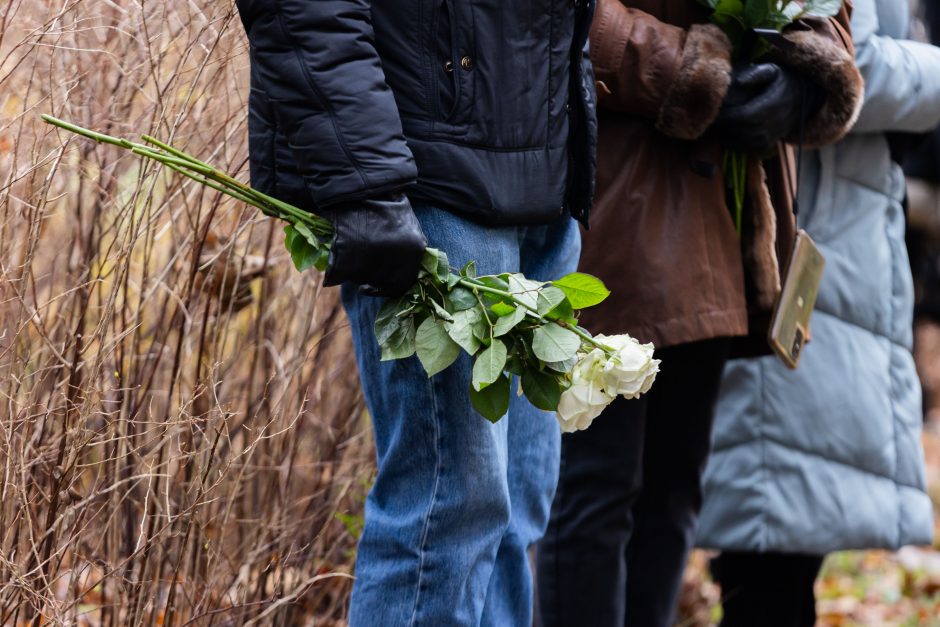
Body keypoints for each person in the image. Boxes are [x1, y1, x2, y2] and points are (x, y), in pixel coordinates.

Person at [233, 2, 597, 625]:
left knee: (515, 513)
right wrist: (364, 180)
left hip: (543, 178)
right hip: (427, 175)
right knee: (447, 508)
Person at [535, 2, 862, 626]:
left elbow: (824, 8)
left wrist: (804, 71)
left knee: (673, 486)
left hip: (726, 205)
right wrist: (688, 70)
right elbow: (557, 15)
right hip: (611, 190)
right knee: (596, 490)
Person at [696, 0, 940, 624]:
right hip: (792, 228)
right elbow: (846, 61)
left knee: (783, 537)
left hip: (833, 241)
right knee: (767, 532)